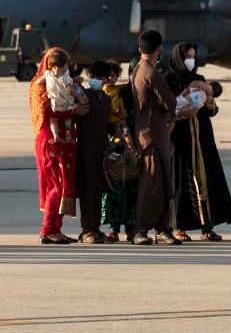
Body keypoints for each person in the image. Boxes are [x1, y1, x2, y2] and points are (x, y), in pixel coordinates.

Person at [164, 42, 231, 241]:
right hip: (179, 138)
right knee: (181, 183)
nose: (191, 60)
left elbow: (211, 111)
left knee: (206, 180)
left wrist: (209, 93)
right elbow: (167, 107)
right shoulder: (168, 80)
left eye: (194, 56)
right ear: (178, 57)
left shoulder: (199, 79)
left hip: (202, 139)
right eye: (188, 56)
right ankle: (179, 228)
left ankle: (207, 227)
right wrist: (184, 96)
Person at [130, 30, 181, 245]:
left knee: (160, 184)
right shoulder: (151, 72)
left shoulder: (138, 70)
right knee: (152, 184)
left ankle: (162, 228)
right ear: (158, 48)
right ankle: (141, 229)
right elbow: (170, 102)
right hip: (153, 135)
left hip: (150, 133)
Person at [30, 47, 85, 244]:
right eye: (62, 68)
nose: (64, 71)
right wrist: (73, 110)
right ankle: (47, 230)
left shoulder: (60, 82)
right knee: (56, 185)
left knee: (64, 185)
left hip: (64, 139)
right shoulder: (40, 86)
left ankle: (55, 229)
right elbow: (47, 112)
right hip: (50, 140)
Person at [75, 61, 113, 243]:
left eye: (100, 78)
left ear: (107, 79)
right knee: (88, 190)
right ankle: (87, 229)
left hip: (102, 151)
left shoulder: (105, 99)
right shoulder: (83, 96)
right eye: (93, 77)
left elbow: (108, 125)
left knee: (98, 191)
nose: (96, 80)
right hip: (85, 150)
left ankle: (95, 228)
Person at [101, 60, 138, 243]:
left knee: (131, 186)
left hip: (129, 143)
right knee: (113, 188)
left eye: (113, 75)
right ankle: (113, 228)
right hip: (112, 143)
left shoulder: (125, 92)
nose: (110, 78)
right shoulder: (99, 94)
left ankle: (131, 228)